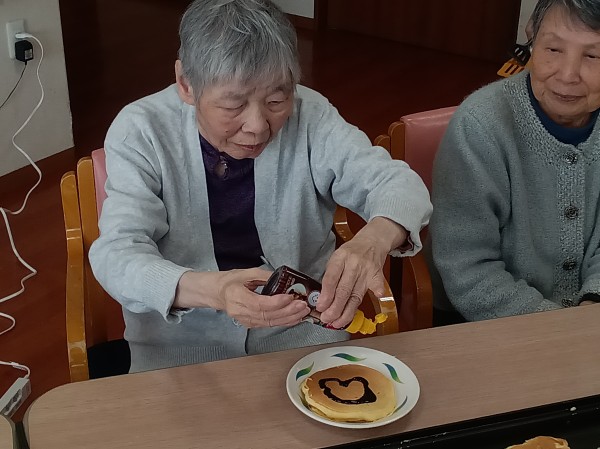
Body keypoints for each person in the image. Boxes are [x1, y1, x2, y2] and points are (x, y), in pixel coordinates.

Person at [89, 0, 431, 372]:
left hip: (301, 337)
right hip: (181, 351)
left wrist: (374, 239)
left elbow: (399, 184)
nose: (258, 126)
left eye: (276, 100)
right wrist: (215, 292)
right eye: (233, 105)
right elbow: (117, 256)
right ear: (186, 83)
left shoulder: (311, 115)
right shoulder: (142, 130)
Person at [429, 0, 600, 323]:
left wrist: (590, 314)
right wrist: (562, 329)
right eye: (553, 49)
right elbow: (468, 270)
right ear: (531, 36)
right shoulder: (480, 125)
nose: (567, 75)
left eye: (593, 56)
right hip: (487, 322)